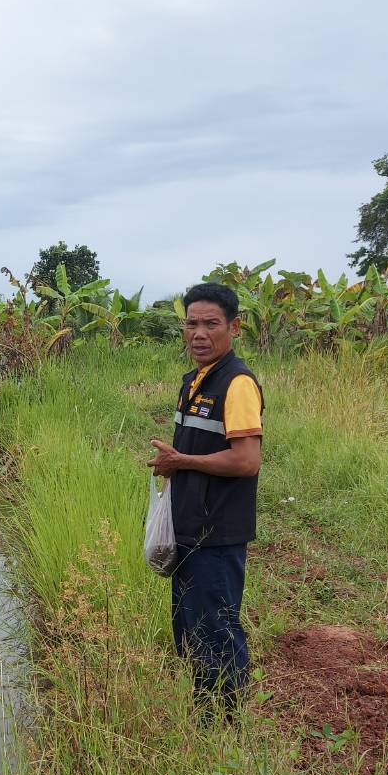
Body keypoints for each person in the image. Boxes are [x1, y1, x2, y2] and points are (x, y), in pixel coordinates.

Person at [147, 282, 263, 719]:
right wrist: (175, 465)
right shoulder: (194, 381)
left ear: (233, 327)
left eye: (211, 323)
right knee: (191, 628)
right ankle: (205, 714)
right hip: (190, 526)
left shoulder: (237, 384)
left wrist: (182, 460)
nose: (199, 333)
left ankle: (224, 728)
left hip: (217, 531)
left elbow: (246, 460)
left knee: (216, 627)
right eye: (191, 323)